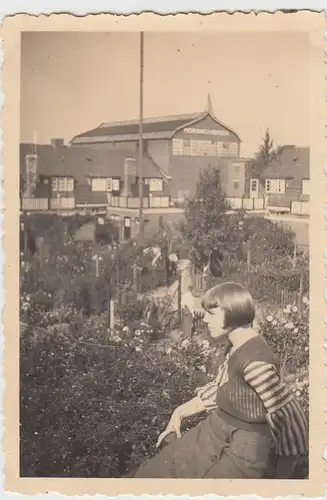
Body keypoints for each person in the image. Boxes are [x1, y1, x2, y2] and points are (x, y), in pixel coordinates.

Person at [134, 282, 308, 479]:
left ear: (233, 313)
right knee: (149, 474)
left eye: (212, 313)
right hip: (214, 431)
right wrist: (179, 413)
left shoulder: (255, 361)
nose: (205, 319)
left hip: (242, 450)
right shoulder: (236, 347)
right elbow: (221, 389)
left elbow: (290, 417)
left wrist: (283, 481)